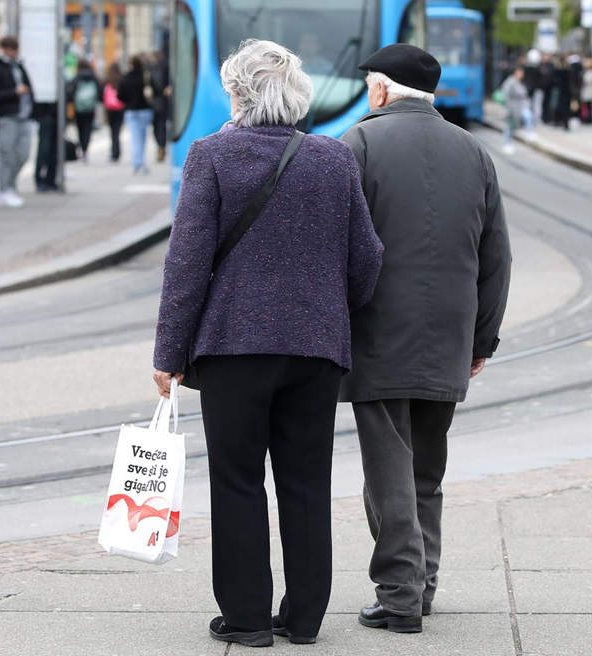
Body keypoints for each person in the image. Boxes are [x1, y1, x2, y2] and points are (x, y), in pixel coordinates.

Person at [151, 39, 383, 648]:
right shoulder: (333, 158)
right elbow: (367, 258)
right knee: (306, 485)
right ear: (298, 95)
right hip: (315, 349)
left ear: (237, 93)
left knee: (237, 482)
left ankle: (248, 619)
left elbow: (187, 264)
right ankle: (304, 618)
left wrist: (169, 353)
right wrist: (329, 310)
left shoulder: (211, 155)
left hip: (234, 349)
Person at [340, 43, 512, 636]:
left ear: (381, 89)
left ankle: (400, 597)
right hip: (450, 333)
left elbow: (339, 246)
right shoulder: (474, 150)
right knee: (426, 469)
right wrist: (482, 337)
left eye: (369, 84)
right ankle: (422, 584)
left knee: (387, 468)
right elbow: (496, 255)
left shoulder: (360, 143)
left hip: (379, 332)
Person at [0, 36, 34, 208]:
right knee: (6, 154)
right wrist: (14, 92)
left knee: (23, 154)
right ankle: (5, 189)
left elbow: (29, 87)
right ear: (6, 49)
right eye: (13, 49)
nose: (15, 52)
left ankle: (10, 186)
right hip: (7, 116)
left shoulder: (19, 65)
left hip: (24, 116)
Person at [118, 55, 155, 174]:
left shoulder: (126, 78)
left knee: (135, 137)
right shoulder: (145, 77)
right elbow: (156, 90)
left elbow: (120, 96)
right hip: (145, 110)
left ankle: (137, 163)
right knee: (142, 138)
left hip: (131, 111)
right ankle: (140, 162)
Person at [69, 59, 100, 162]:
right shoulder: (93, 77)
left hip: (79, 108)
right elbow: (99, 90)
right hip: (90, 108)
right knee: (88, 128)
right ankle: (85, 149)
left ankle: (82, 147)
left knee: (80, 128)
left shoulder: (76, 77)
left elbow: (70, 91)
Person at [500, 66, 530, 154]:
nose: (522, 75)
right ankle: (506, 144)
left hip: (517, 108)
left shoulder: (517, 82)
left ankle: (508, 144)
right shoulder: (510, 81)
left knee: (511, 126)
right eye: (520, 73)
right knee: (508, 126)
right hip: (511, 108)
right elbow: (505, 94)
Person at [150, 50, 171, 162]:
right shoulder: (164, 67)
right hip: (160, 102)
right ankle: (161, 147)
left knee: (158, 127)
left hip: (156, 102)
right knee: (160, 126)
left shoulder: (153, 69)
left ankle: (161, 147)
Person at [103, 62, 126, 163]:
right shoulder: (122, 80)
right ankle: (117, 151)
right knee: (117, 131)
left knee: (112, 131)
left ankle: (114, 151)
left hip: (110, 109)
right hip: (120, 108)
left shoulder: (107, 80)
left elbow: (102, 96)